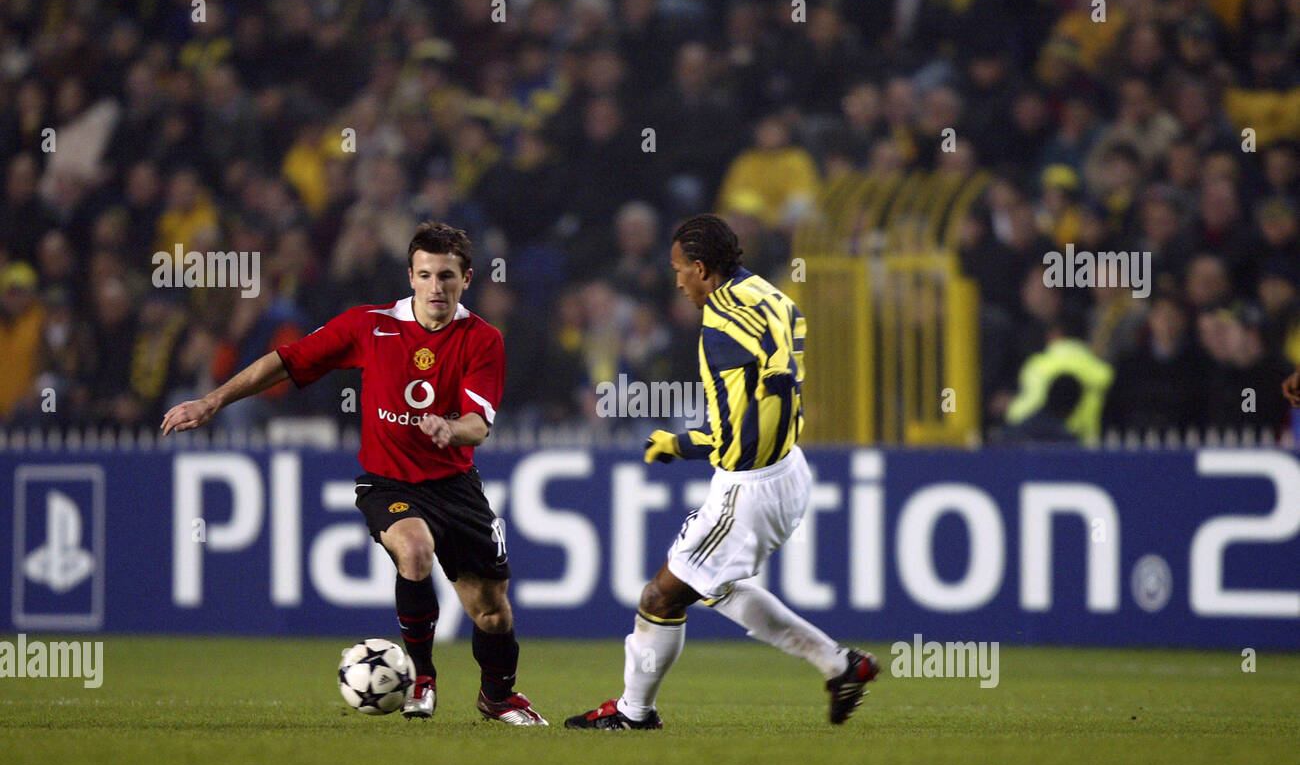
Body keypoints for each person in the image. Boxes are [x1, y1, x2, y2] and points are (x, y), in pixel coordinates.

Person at [161, 222, 546, 726]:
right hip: (389, 483)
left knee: (492, 612)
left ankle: (498, 698)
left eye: (447, 276)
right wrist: (212, 401)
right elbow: (286, 362)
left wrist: (452, 430)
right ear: (410, 276)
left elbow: (479, 423)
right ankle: (421, 676)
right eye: (425, 275)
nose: (436, 287)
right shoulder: (370, 325)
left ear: (467, 278)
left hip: (455, 486)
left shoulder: (482, 339)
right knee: (413, 549)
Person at [566, 214, 879, 730]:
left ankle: (633, 713)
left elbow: (736, 433)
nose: (676, 281)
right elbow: (785, 351)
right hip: (789, 468)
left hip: (750, 486)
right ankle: (838, 665)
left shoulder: (719, 325)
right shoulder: (767, 294)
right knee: (715, 586)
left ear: (702, 268)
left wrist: (681, 443)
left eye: (679, 270)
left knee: (660, 595)